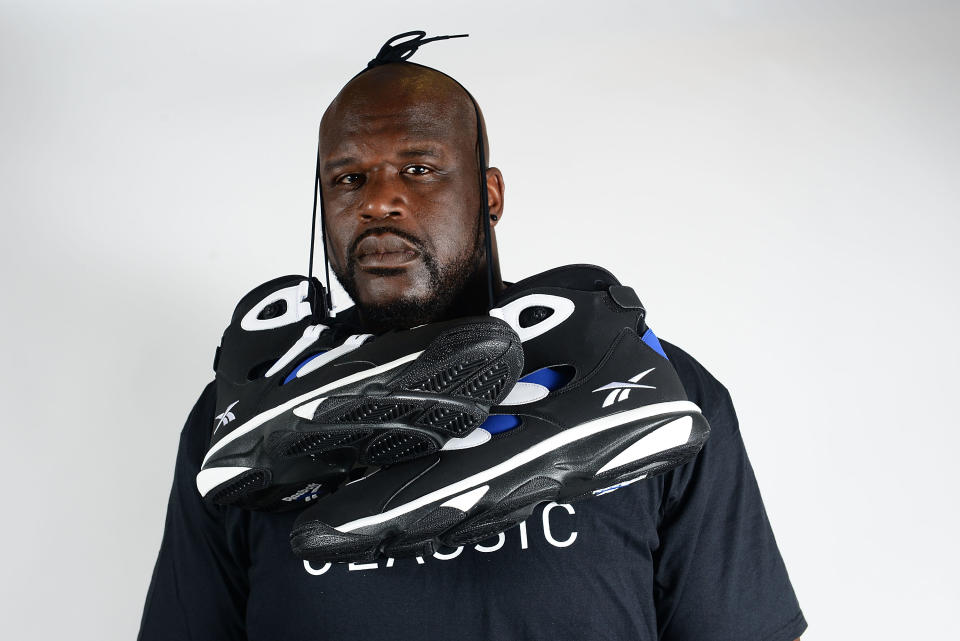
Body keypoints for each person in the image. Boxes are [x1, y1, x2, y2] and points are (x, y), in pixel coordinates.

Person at [139, 43, 807, 641]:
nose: (379, 201)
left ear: (489, 194)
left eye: (420, 168)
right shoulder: (238, 424)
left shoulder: (652, 389)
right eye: (348, 178)